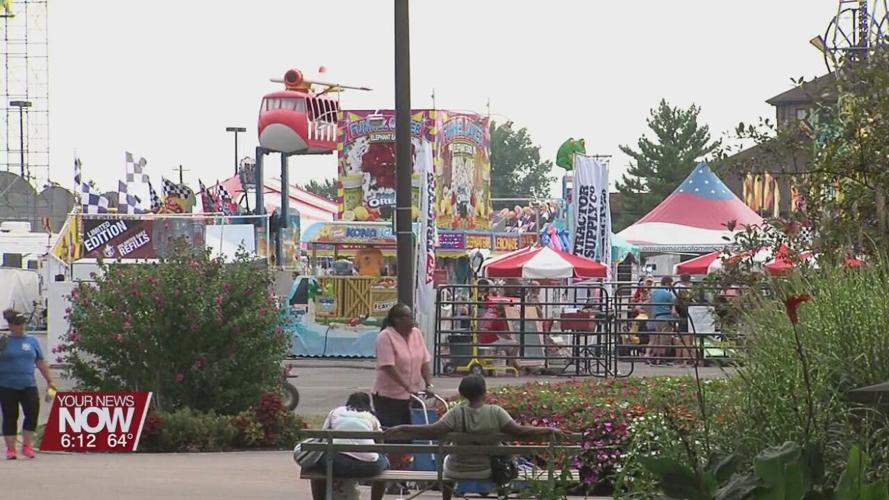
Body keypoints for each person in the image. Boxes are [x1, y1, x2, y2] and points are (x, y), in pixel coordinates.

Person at [384, 375, 561, 500]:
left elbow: (433, 430)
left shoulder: (456, 413)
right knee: (503, 456)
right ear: (484, 392)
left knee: (447, 459)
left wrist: (402, 427)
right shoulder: (495, 412)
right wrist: (548, 430)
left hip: (457, 469)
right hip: (488, 470)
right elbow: (519, 432)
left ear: (462, 393)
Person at [372, 304, 434, 472]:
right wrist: (406, 386)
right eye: (407, 316)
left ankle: (405, 470)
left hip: (411, 397)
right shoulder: (386, 337)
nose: (412, 319)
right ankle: (391, 473)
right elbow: (388, 366)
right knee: (394, 436)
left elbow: (424, 360)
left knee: (409, 436)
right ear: (397, 320)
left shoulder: (417, 334)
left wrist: (428, 384)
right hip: (389, 397)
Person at [308, 392, 388, 500]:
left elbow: (323, 436)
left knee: (315, 466)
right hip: (368, 467)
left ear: (348, 402)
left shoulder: (336, 412)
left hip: (336, 464)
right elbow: (380, 444)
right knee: (385, 462)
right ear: (368, 405)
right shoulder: (371, 417)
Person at [1, 309, 55, 460]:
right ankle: (11, 449)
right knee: (10, 416)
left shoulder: (32, 341)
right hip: (7, 385)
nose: (21, 326)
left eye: (23, 323)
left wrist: (50, 380)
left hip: (28, 384)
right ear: (11, 325)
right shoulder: (3, 341)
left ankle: (27, 445)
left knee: (32, 413)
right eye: (18, 324)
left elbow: (40, 361)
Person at [647, 277, 676, 365]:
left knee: (657, 338)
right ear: (668, 283)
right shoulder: (668, 294)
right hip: (666, 317)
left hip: (656, 317)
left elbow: (650, 303)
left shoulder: (654, 292)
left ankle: (655, 357)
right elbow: (673, 308)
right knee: (665, 339)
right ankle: (662, 358)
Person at [673, 274, 696, 366]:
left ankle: (684, 361)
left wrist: (675, 309)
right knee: (690, 340)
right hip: (692, 315)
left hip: (683, 315)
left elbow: (676, 302)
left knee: (684, 340)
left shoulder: (679, 289)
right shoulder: (693, 290)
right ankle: (693, 359)